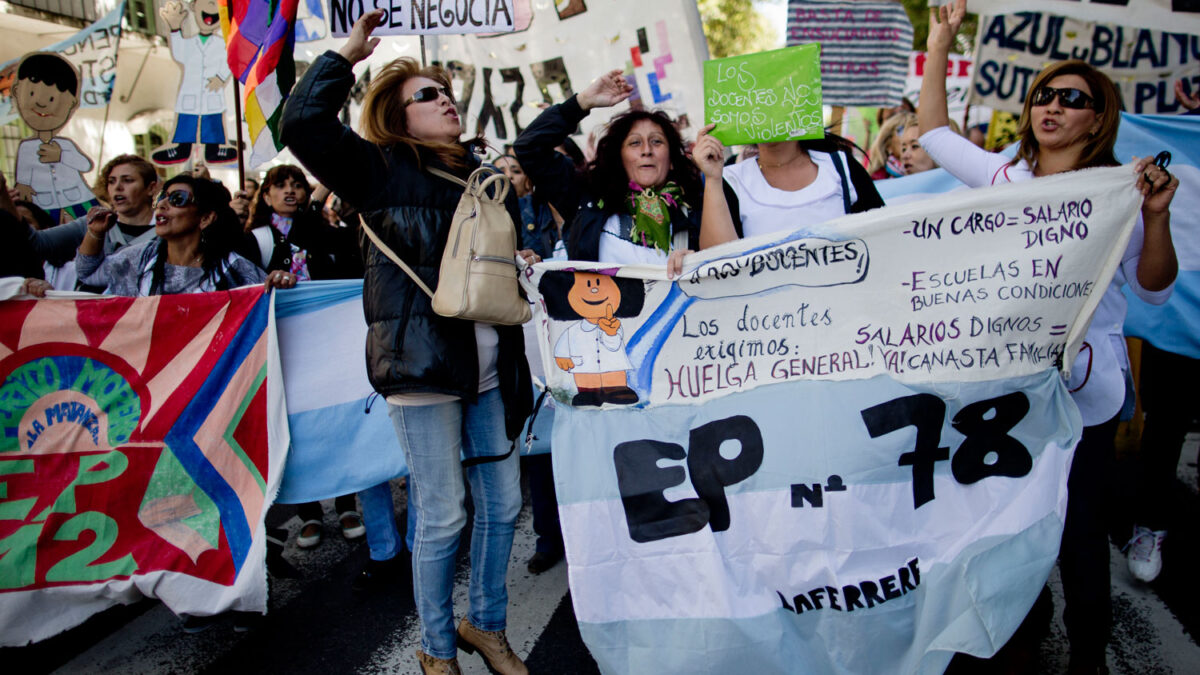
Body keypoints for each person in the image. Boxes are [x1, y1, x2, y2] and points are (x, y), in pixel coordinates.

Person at [919, 2, 1179, 672]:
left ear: (1099, 117)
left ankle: (1088, 653)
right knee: (1002, 516)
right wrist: (942, 38)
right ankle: (1020, 629)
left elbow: (1153, 287)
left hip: (1084, 393)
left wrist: (1154, 218)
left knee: (1081, 529)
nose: (1052, 107)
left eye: (1073, 98)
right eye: (1043, 96)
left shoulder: (1117, 191)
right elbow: (935, 133)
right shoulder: (1006, 178)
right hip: (1006, 390)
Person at [281, 10, 532, 675]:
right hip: (423, 367)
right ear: (395, 115)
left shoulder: (480, 178)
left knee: (504, 504)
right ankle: (437, 647)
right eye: (428, 94)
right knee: (444, 514)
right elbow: (300, 124)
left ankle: (487, 624)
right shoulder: (378, 171)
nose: (446, 99)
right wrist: (344, 56)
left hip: (490, 367)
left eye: (445, 90)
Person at [243, 164, 372, 551]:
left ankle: (348, 504)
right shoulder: (254, 241)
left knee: (338, 420)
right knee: (295, 429)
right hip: (282, 348)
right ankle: (310, 512)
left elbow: (352, 269)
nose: (290, 192)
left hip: (327, 343)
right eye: (279, 186)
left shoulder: (321, 232)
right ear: (265, 196)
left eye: (297, 185)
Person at [514, 69, 699, 274]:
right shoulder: (585, 198)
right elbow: (529, 147)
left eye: (656, 142)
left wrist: (700, 260)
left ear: (672, 159)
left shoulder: (697, 205)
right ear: (619, 157)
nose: (647, 150)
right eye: (635, 143)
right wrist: (581, 102)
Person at [690, 124, 884, 249]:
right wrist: (713, 179)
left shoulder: (840, 167)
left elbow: (884, 237)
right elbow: (718, 262)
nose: (764, 113)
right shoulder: (730, 180)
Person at [74, 175, 268, 295]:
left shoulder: (233, 270)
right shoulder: (138, 259)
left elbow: (271, 302)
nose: (162, 205)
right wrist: (95, 233)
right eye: (162, 197)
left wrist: (280, 281)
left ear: (205, 218)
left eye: (177, 199)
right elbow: (88, 273)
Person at [24, 153, 161, 291]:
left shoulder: (168, 229)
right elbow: (36, 243)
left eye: (128, 180)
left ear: (151, 188)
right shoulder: (91, 223)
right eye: (111, 181)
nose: (118, 187)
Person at [867, 112, 908, 179]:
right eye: (902, 131)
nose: (908, 136)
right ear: (888, 143)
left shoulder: (926, 170)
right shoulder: (876, 179)